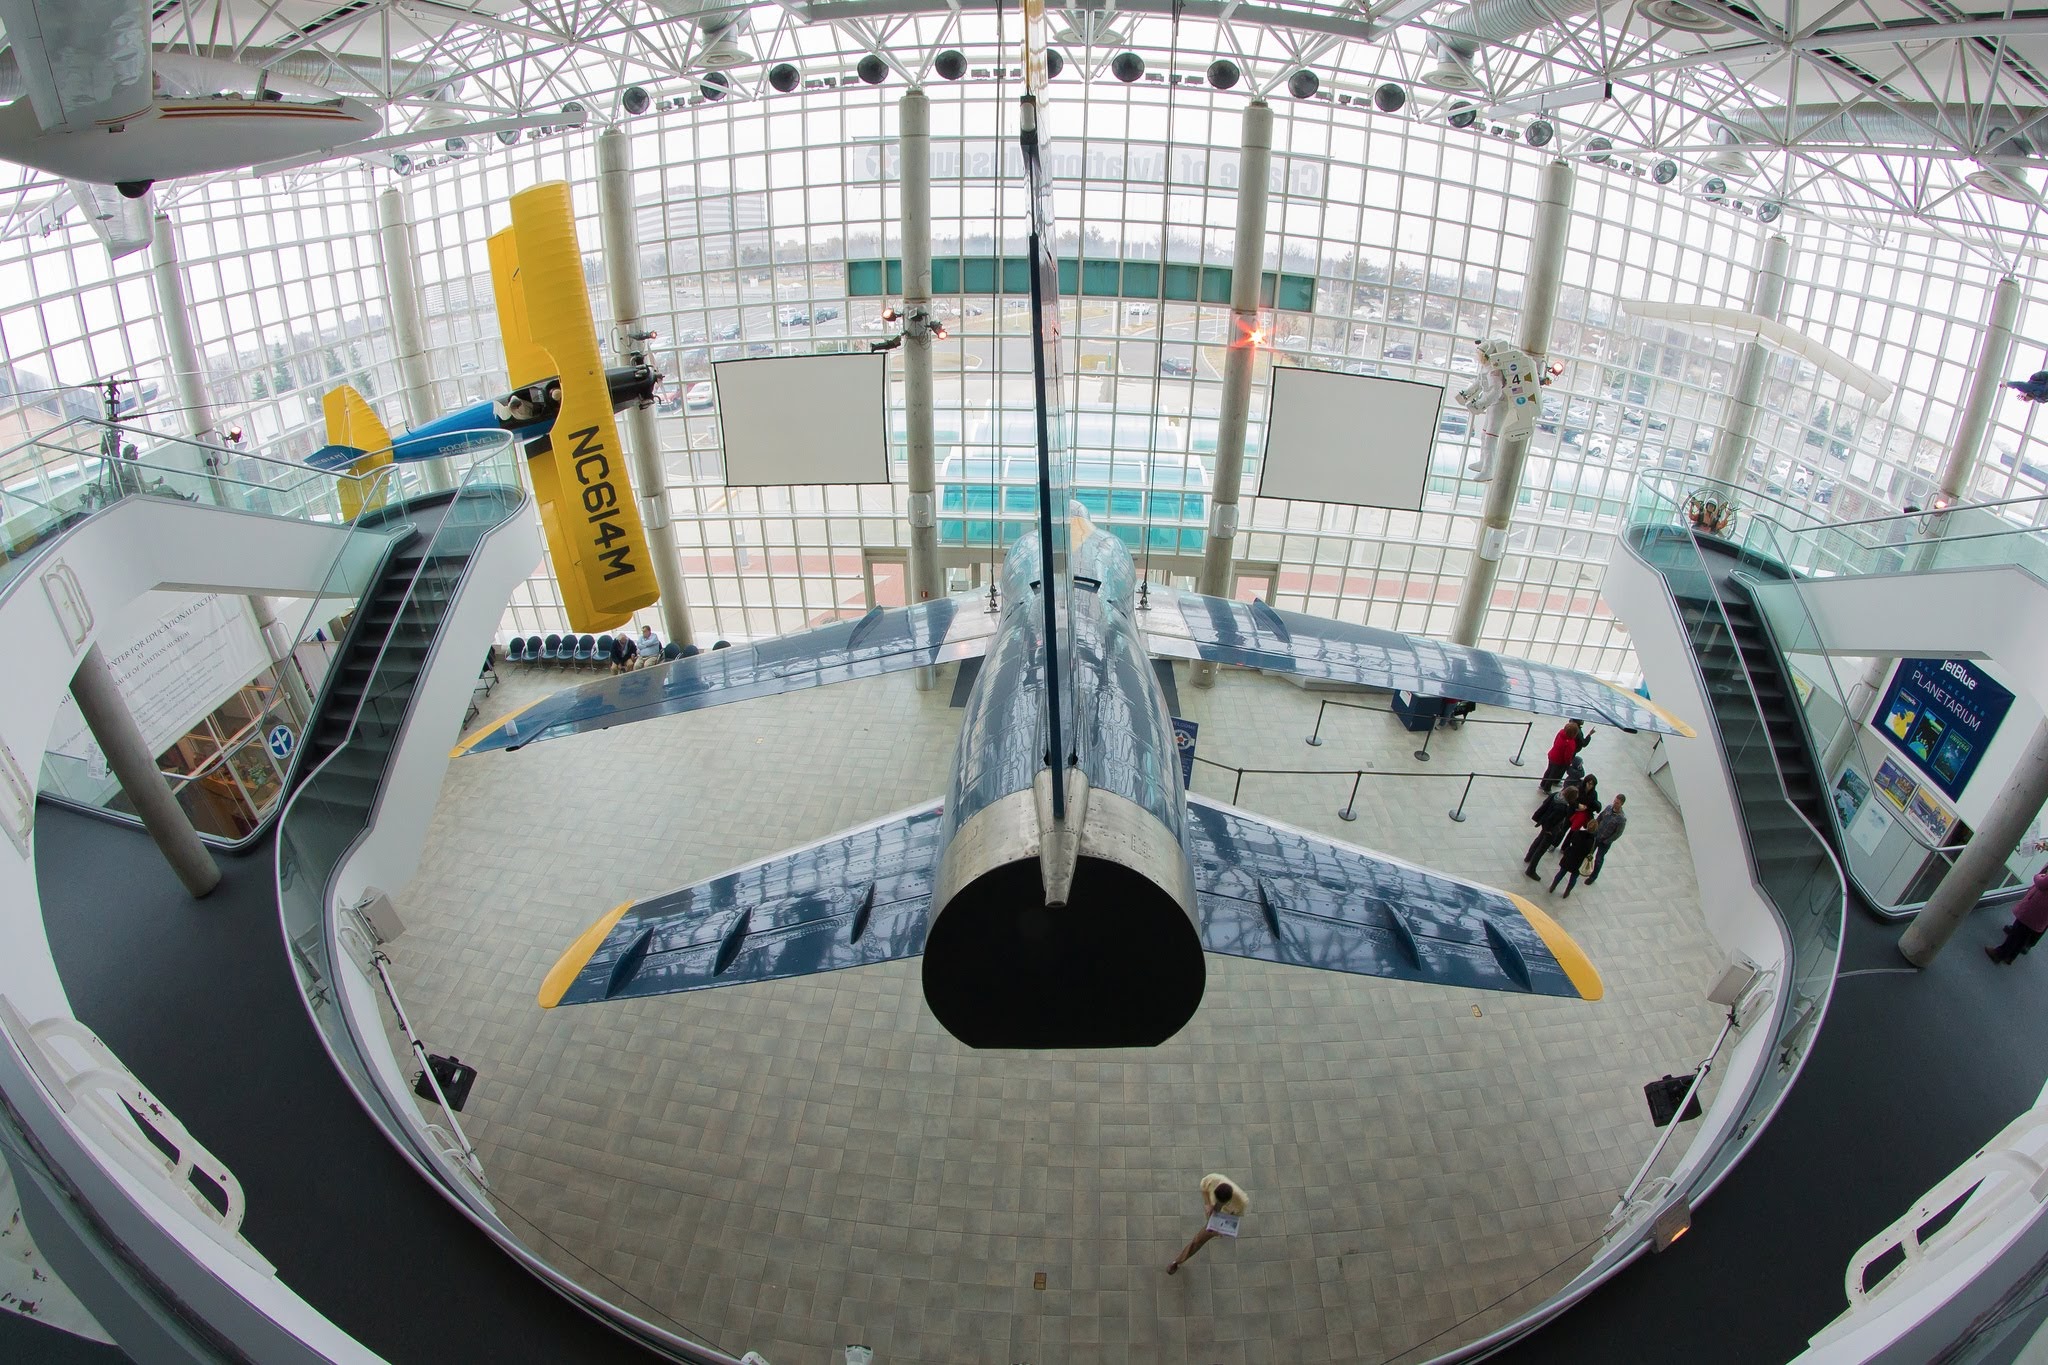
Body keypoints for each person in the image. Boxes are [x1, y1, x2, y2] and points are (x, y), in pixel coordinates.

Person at [1167, 1173, 1250, 1275]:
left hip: (1222, 1217)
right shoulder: (1213, 1179)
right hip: (1212, 1213)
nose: (1219, 1204)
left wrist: (1222, 1228)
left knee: (1198, 1240)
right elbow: (1204, 1187)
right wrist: (1208, 1204)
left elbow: (1235, 1217)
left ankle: (1179, 1261)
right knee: (1197, 1242)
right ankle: (1178, 1261)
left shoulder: (1241, 1201)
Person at [1988, 867, 2048, 965]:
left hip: (2037, 907)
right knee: (2025, 934)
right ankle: (2011, 957)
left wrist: (2038, 876)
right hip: (2043, 912)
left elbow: (2042, 884)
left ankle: (1999, 954)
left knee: (2018, 930)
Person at [1526, 785, 1579, 879]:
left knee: (1538, 840)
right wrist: (1548, 830)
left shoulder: (1556, 795)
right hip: (1551, 829)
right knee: (1541, 849)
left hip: (1544, 822)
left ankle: (1528, 857)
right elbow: (1553, 819)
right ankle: (1531, 870)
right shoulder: (1562, 808)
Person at [1551, 813, 1600, 897]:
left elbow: (1571, 841)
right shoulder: (1593, 841)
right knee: (1573, 878)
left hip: (1570, 856)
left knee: (1561, 873)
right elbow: (1590, 852)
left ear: (1587, 825)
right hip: (1579, 861)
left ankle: (1553, 886)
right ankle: (1567, 892)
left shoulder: (1577, 833)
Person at [1585, 794, 1627, 884]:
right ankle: (1585, 867)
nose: (1615, 804)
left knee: (1599, 859)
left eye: (1617, 803)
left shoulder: (1621, 819)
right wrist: (1594, 826)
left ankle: (1593, 877)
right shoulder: (1609, 808)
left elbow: (1618, 833)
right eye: (1615, 801)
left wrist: (1607, 841)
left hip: (1605, 841)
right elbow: (1600, 817)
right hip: (1597, 835)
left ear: (1621, 804)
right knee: (1589, 852)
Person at [1540, 720, 1590, 792]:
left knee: (1549, 770)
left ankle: (1542, 784)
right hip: (1559, 761)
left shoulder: (1561, 733)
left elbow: (1555, 741)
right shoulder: (1570, 743)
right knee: (1553, 775)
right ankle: (1547, 788)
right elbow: (1567, 756)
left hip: (1552, 754)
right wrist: (1568, 763)